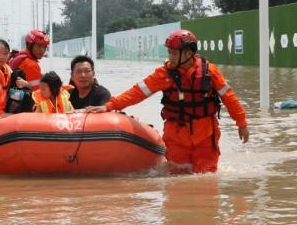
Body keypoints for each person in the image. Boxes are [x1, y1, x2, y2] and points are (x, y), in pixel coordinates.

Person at [86, 29, 249, 174]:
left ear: (187, 54)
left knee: (206, 180)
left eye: (173, 53)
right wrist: (109, 106)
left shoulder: (210, 72)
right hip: (176, 136)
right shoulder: (163, 74)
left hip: (206, 136)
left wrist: (241, 123)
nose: (169, 56)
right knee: (176, 182)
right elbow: (137, 93)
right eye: (169, 52)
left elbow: (229, 97)